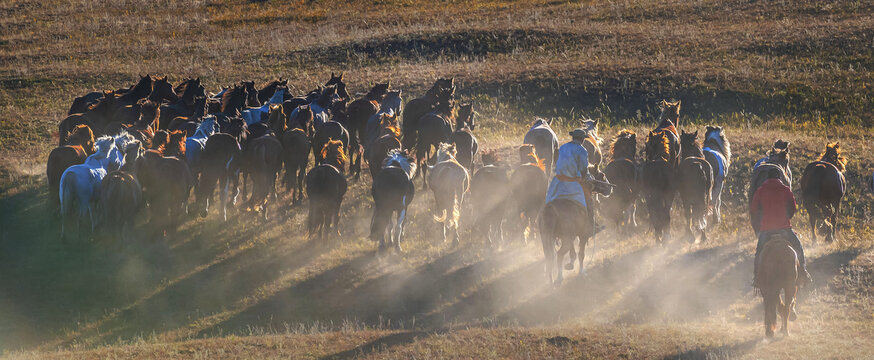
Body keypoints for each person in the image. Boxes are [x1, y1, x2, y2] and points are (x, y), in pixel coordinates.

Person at [750, 167, 812, 287]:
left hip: (766, 229)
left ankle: (757, 277)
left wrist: (761, 222)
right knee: (798, 247)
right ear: (779, 178)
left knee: (759, 252)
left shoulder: (760, 191)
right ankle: (803, 272)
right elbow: (793, 208)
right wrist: (787, 218)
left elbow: (754, 210)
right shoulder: (786, 190)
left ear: (767, 177)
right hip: (784, 228)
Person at [545, 128, 607, 236]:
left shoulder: (563, 147)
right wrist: (589, 178)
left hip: (558, 181)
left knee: (548, 200)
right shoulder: (582, 150)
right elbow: (584, 170)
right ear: (582, 139)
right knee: (588, 200)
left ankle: (543, 223)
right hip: (573, 183)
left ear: (573, 137)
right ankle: (591, 226)